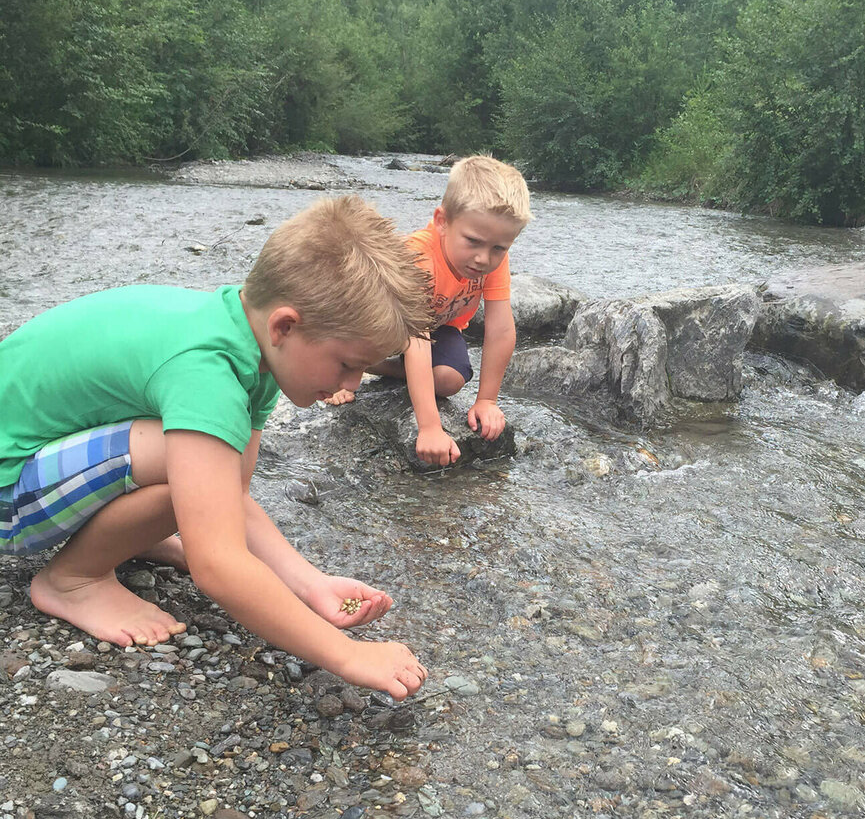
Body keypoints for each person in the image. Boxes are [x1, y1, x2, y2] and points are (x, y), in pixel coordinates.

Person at [0, 196, 430, 699]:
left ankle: (131, 537)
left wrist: (308, 583)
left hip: (39, 456)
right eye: (346, 364)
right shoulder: (206, 371)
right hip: (9, 487)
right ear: (286, 326)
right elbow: (218, 564)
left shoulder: (253, 342)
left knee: (208, 481)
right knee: (190, 472)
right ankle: (71, 580)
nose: (352, 383)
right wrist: (348, 653)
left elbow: (232, 492)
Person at [327, 155, 532, 468]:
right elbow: (416, 339)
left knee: (451, 379)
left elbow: (501, 329)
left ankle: (379, 368)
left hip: (438, 326)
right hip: (383, 322)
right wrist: (430, 427)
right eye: (473, 242)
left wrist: (487, 401)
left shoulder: (495, 261)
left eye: (498, 248)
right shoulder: (420, 258)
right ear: (442, 221)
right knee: (369, 339)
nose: (483, 259)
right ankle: (346, 362)